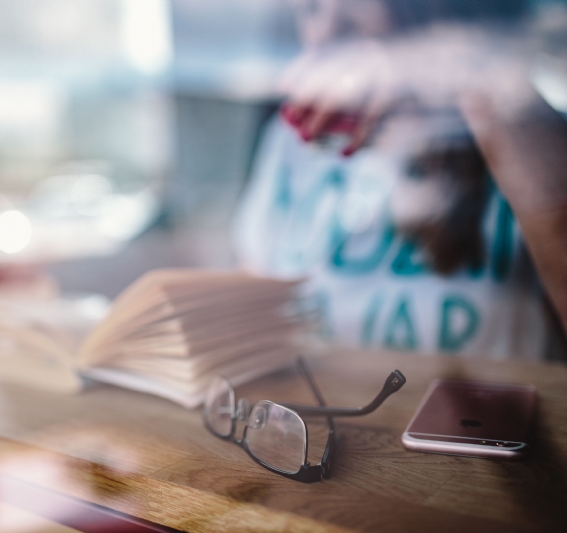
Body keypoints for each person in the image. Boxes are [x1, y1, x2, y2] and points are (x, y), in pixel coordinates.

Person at [234, 0, 567, 359]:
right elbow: (252, 322)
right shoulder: (289, 145)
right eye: (311, 9)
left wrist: (454, 72)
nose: (325, 33)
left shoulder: (522, 135)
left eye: (355, 8)